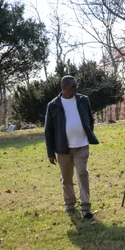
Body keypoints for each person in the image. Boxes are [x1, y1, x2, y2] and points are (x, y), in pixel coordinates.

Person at [44, 75, 99, 219]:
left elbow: (90, 119)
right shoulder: (53, 105)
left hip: (81, 145)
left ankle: (85, 207)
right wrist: (50, 152)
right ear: (65, 88)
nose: (76, 88)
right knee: (67, 178)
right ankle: (69, 205)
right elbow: (48, 130)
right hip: (63, 148)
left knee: (82, 174)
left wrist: (88, 133)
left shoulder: (83, 100)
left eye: (76, 85)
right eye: (73, 86)